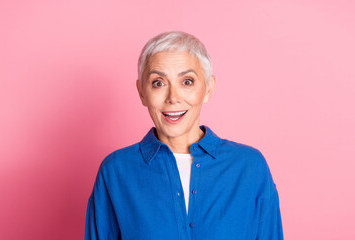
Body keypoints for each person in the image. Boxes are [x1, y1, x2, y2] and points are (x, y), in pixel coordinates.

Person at [85, 31, 284, 240]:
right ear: (142, 92)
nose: (173, 97)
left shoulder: (250, 167)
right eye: (158, 83)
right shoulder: (116, 171)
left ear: (208, 88)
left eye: (187, 82)